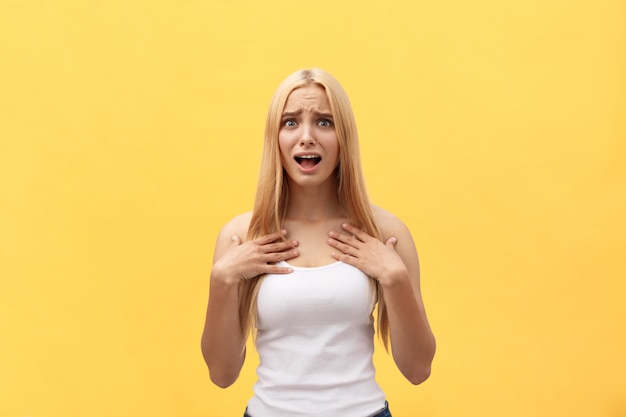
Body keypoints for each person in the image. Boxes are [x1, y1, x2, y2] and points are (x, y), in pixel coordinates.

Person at [201, 68, 436, 417]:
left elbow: (418, 370)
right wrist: (222, 280)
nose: (306, 137)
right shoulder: (242, 236)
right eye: (291, 122)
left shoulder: (384, 231)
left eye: (324, 122)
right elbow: (222, 375)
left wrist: (394, 278)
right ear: (274, 136)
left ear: (344, 137)